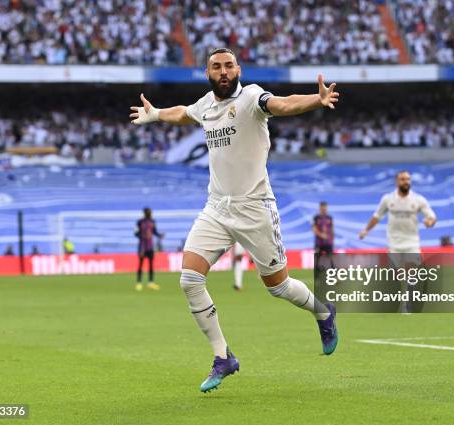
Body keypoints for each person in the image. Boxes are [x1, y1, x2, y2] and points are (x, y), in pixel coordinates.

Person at [129, 47, 339, 393]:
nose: (223, 71)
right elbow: (185, 114)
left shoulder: (252, 97)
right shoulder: (206, 106)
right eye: (216, 67)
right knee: (189, 280)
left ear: (238, 69)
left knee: (279, 287)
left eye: (228, 66)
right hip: (216, 208)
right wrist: (156, 115)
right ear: (207, 73)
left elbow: (282, 104)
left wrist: (316, 101)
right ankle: (223, 356)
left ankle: (322, 312)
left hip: (255, 207)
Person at [359, 170, 437, 312]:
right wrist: (366, 230)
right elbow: (377, 216)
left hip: (412, 243)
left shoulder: (418, 200)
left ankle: (408, 306)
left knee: (412, 276)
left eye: (408, 179)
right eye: (403, 179)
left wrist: (429, 222)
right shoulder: (388, 199)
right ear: (397, 181)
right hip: (394, 244)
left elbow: (432, 216)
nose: (406, 182)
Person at [135, 207, 164, 291]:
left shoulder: (152, 221)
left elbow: (154, 231)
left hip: (150, 246)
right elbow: (135, 233)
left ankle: (151, 283)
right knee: (140, 264)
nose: (150, 213)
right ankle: (139, 283)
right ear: (145, 213)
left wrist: (159, 235)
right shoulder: (140, 222)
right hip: (142, 246)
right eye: (149, 212)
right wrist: (142, 236)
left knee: (151, 265)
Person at [312, 201, 335, 268]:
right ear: (320, 208)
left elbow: (332, 228)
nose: (324, 209)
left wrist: (332, 238)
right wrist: (321, 235)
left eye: (325, 208)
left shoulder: (329, 218)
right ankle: (317, 273)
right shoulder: (316, 218)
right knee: (317, 258)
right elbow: (314, 229)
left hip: (328, 242)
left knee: (331, 258)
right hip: (319, 242)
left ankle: (334, 272)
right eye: (322, 208)